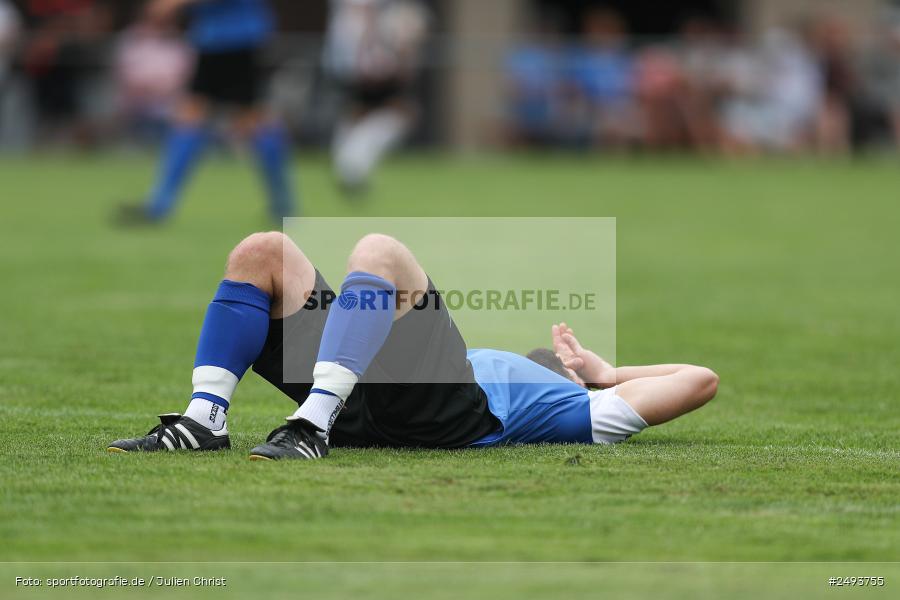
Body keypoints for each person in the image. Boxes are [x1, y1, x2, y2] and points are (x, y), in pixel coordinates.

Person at [108, 231, 719, 459]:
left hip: (447, 412)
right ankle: (203, 419)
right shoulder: (492, 366)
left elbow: (699, 379)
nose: (551, 359)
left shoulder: (575, 409)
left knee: (381, 253)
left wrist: (606, 375)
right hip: (369, 389)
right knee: (262, 253)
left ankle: (312, 424)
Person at [116, 0, 296, 224]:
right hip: (217, 39)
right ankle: (159, 205)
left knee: (249, 119)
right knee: (196, 115)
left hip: (236, 39)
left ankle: (284, 206)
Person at [322, 0, 430, 194]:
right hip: (361, 72)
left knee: (393, 116)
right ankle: (350, 167)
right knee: (381, 115)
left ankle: (350, 167)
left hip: (368, 70)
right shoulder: (356, 27)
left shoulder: (383, 21)